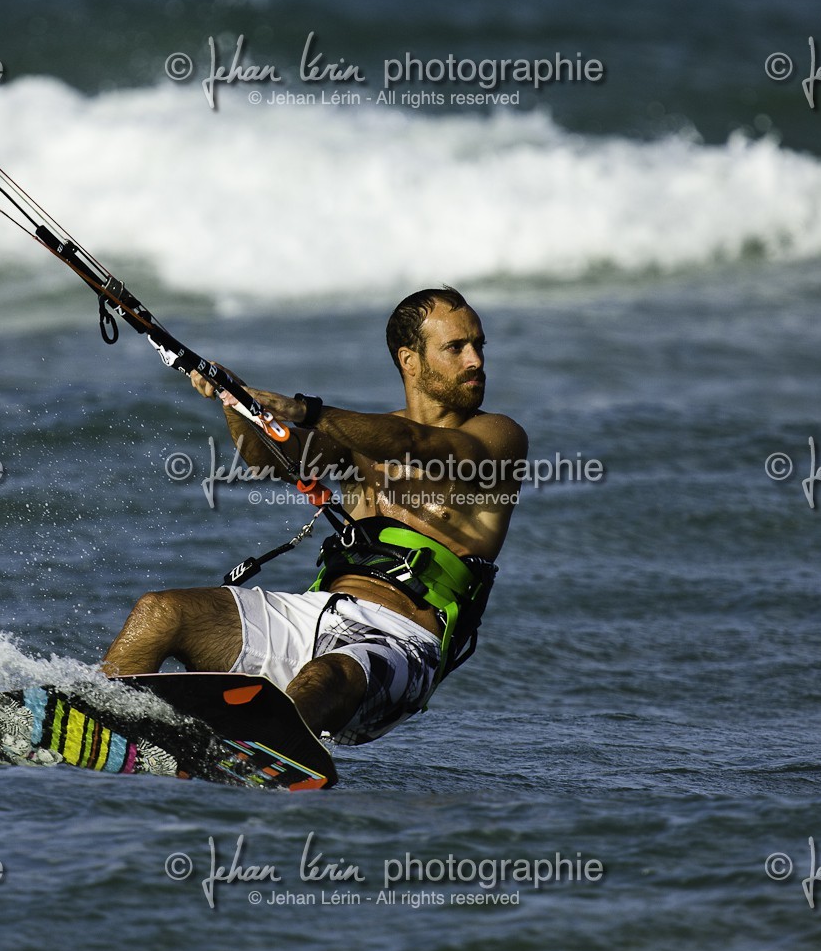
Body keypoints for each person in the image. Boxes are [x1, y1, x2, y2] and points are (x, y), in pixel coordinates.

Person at [101, 288, 527, 744]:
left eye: (478, 345)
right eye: (456, 347)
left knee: (323, 677)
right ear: (410, 360)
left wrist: (308, 411)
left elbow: (419, 445)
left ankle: (264, 757)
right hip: (317, 612)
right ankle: (101, 726)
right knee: (161, 612)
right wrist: (237, 401)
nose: (475, 361)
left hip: (402, 643)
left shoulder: (498, 437)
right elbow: (270, 461)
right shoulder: (360, 441)